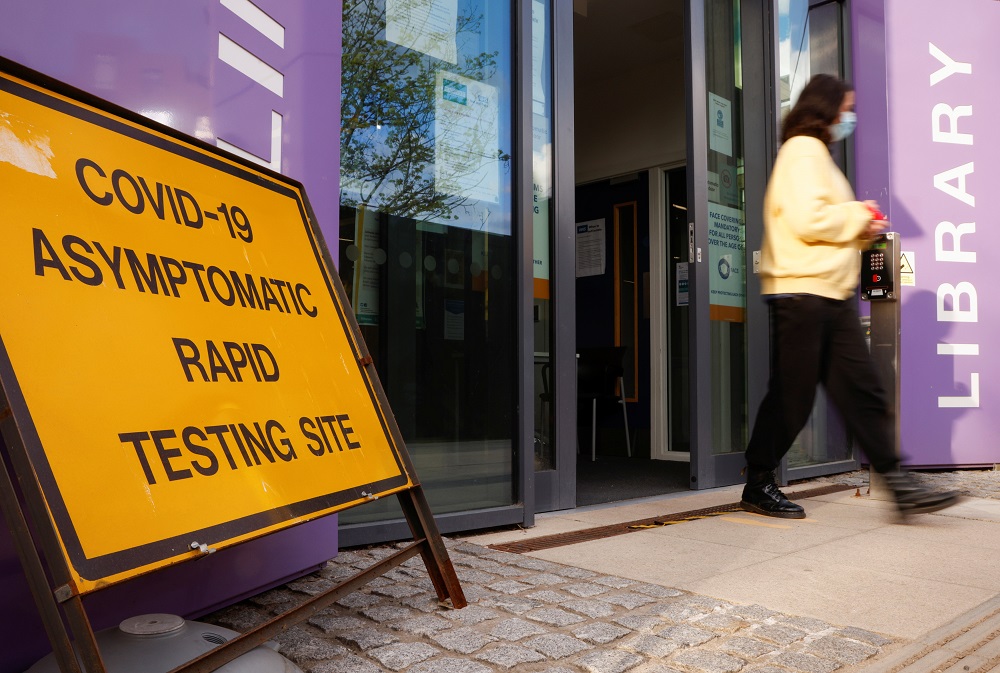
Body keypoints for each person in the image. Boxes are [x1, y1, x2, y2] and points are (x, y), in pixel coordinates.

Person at [741, 73, 959, 520]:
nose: (849, 117)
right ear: (827, 108)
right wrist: (858, 214)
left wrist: (862, 231)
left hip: (829, 294)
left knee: (863, 390)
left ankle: (898, 485)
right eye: (846, 108)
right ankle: (758, 481)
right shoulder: (803, 151)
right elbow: (806, 219)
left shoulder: (816, 155)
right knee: (793, 396)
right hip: (802, 293)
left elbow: (822, 223)